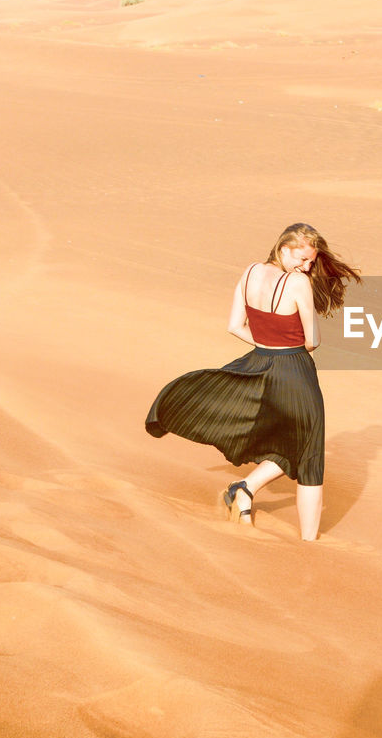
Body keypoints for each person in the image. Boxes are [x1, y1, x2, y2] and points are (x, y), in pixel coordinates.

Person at [146, 223, 361, 539]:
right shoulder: (297, 283)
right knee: (310, 453)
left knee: (287, 437)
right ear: (283, 247)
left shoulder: (249, 273)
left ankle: (244, 490)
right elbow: (313, 340)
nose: (307, 267)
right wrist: (286, 349)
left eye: (311, 262)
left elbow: (235, 326)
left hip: (259, 362)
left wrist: (266, 346)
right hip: (294, 369)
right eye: (302, 259)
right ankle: (310, 545)